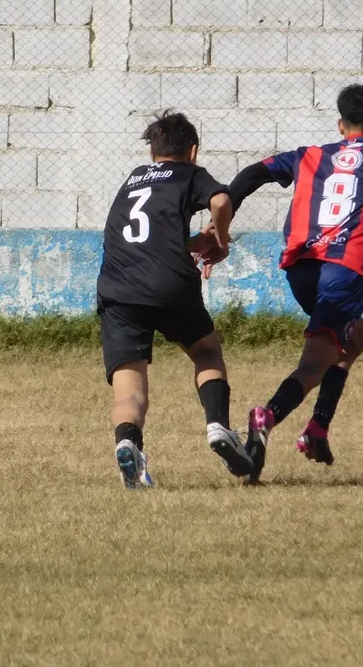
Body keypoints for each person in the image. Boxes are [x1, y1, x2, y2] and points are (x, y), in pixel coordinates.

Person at [202, 84, 363, 484]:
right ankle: (267, 417)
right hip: (345, 271)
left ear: (340, 123)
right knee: (315, 361)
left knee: (356, 336)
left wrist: (225, 210)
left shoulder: (310, 155)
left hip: (300, 268)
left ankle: (317, 428)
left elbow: (253, 173)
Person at [96, 110, 254, 489]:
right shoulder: (190, 174)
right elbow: (220, 200)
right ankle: (218, 426)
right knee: (206, 352)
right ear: (193, 150)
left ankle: (128, 443)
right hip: (169, 283)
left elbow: (144, 233)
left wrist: (188, 243)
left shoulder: (134, 179)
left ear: (152, 153)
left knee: (130, 387)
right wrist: (220, 237)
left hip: (118, 288)